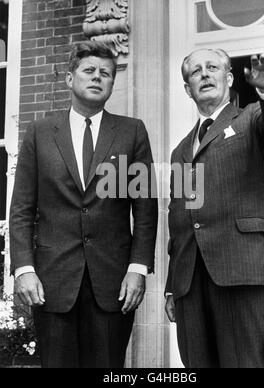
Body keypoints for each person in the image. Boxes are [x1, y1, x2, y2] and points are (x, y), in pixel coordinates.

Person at [9, 41, 158, 368]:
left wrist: (138, 268)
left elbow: (145, 208)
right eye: (89, 70)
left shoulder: (131, 133)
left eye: (105, 74)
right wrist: (23, 268)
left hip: (114, 282)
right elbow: (21, 208)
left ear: (112, 84)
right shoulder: (40, 132)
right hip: (51, 282)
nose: (97, 78)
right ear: (69, 78)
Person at [165, 48, 264, 368]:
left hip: (241, 270)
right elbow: (180, 217)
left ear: (229, 78)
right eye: (196, 72)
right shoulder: (181, 150)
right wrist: (172, 286)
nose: (205, 74)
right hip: (190, 282)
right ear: (187, 89)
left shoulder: (251, 117)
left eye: (212, 67)